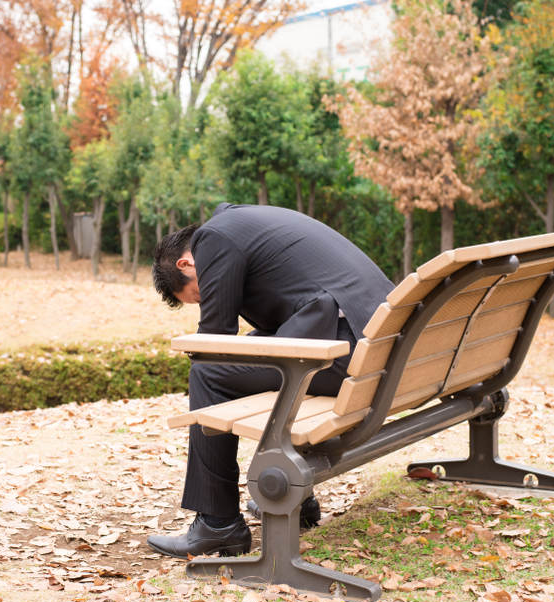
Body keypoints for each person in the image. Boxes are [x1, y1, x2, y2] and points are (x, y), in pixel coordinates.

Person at [148, 203, 394, 559]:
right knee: (255, 354)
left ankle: (218, 525)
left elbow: (214, 337)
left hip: (348, 355)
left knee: (206, 373)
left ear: (187, 264)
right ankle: (301, 500)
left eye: (198, 295)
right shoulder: (245, 224)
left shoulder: (213, 239)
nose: (207, 297)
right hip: (380, 349)